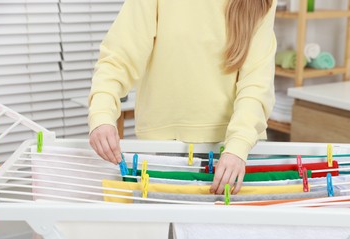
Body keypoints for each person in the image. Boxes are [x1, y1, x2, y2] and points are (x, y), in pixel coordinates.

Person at [89, 0, 277, 195]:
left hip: (234, 152)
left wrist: (238, 145)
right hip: (167, 147)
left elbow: (256, 82)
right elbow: (120, 56)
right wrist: (101, 113)